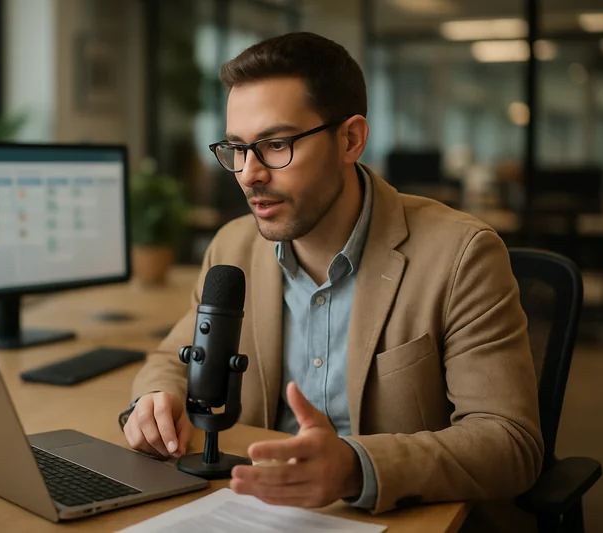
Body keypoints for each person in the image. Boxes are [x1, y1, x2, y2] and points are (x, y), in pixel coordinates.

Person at [119, 32, 542, 531]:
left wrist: (355, 467)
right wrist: (155, 400)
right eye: (237, 148)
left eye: (276, 144)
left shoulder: (461, 255)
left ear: (351, 140)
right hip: (249, 511)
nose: (249, 174)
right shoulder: (233, 247)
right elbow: (173, 358)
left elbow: (509, 442)